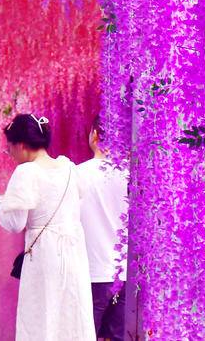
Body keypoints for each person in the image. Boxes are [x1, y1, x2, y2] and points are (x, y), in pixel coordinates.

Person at [0, 114, 95, 341]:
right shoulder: (68, 168)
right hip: (73, 252)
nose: (10, 155)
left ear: (20, 144)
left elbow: (15, 222)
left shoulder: (27, 172)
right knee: (72, 316)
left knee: (41, 317)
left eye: (9, 148)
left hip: (44, 256)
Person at [76, 118, 129, 341]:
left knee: (83, 335)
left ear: (95, 135)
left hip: (91, 271)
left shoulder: (77, 174)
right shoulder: (130, 176)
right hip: (124, 275)